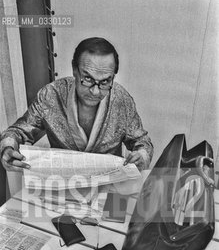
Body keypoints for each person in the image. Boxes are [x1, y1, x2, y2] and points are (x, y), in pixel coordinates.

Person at [0, 37, 153, 172]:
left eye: (105, 81)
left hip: (109, 184)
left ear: (113, 77)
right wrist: (8, 147)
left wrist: (141, 156)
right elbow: (18, 130)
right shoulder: (51, 95)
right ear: (74, 70)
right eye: (87, 78)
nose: (94, 91)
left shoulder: (121, 99)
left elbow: (142, 142)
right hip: (62, 182)